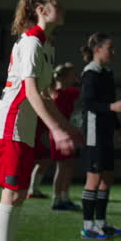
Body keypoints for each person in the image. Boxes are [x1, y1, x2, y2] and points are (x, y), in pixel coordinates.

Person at [0, 0, 80, 241]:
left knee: (19, 194)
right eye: (57, 3)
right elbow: (32, 93)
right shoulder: (32, 42)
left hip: (22, 126)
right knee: (11, 194)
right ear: (40, 9)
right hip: (9, 124)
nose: (62, 9)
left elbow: (47, 95)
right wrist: (56, 130)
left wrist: (65, 126)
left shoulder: (47, 45)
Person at [78, 33, 121, 238]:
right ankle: (87, 226)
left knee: (107, 177)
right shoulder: (90, 73)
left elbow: (109, 106)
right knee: (94, 178)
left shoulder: (107, 72)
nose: (113, 52)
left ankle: (101, 222)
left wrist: (118, 128)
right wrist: (112, 106)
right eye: (110, 48)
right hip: (93, 132)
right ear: (97, 49)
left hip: (106, 130)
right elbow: (88, 104)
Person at [28, 63, 82, 210]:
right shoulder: (57, 96)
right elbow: (57, 119)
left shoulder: (68, 93)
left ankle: (64, 197)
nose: (75, 77)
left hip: (68, 133)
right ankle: (57, 199)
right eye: (72, 75)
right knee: (62, 167)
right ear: (64, 77)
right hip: (60, 135)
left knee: (68, 166)